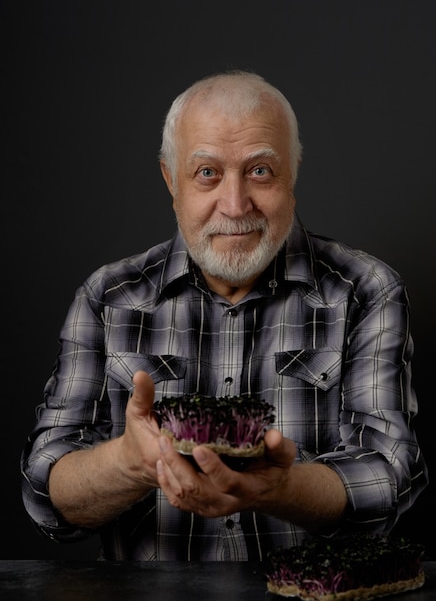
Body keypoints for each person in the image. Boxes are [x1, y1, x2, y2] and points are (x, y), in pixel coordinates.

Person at [21, 70, 428, 561]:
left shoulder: (364, 291)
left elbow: (390, 473)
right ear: (172, 180)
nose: (235, 206)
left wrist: (279, 487)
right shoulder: (108, 298)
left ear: (292, 174)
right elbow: (45, 491)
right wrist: (129, 463)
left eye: (260, 171)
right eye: (207, 173)